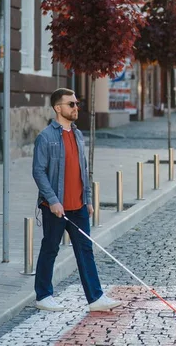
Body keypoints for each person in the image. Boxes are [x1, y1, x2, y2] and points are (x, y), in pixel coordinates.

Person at [32, 88, 121, 312]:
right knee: (50, 248)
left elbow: (84, 169)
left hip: (78, 206)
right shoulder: (46, 137)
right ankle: (43, 296)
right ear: (57, 108)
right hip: (56, 207)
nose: (75, 108)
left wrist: (88, 199)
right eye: (70, 104)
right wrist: (52, 200)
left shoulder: (78, 135)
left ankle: (95, 298)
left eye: (76, 104)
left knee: (85, 250)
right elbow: (38, 172)